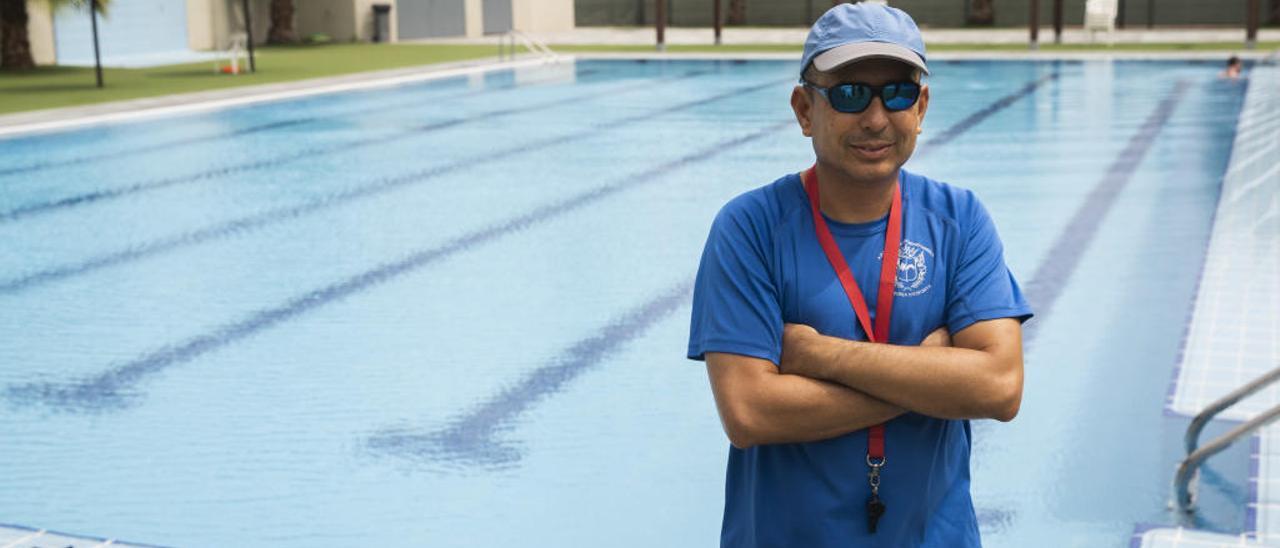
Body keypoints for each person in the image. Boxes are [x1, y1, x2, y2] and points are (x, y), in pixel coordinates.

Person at [686, 3, 1033, 547]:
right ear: (805, 109)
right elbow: (751, 412)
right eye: (849, 94)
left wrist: (822, 357)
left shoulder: (958, 220)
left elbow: (999, 387)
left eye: (896, 93)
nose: (875, 118)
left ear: (920, 108)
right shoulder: (750, 229)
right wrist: (934, 375)